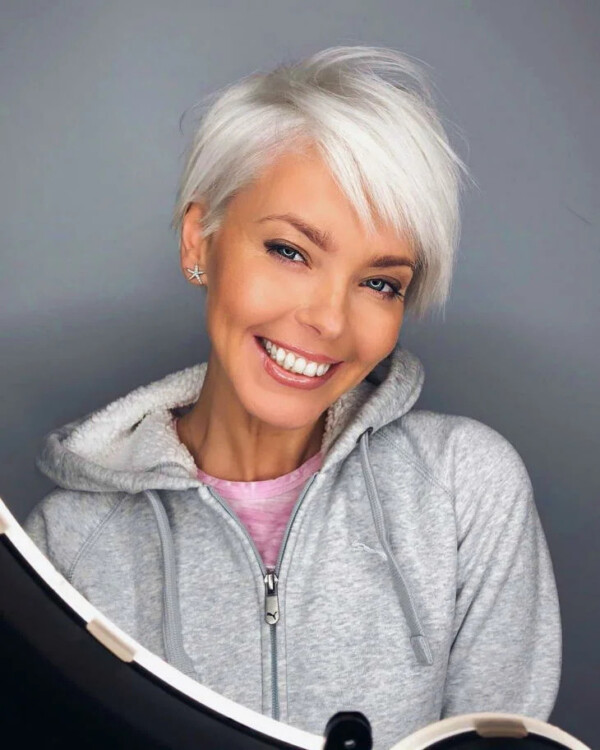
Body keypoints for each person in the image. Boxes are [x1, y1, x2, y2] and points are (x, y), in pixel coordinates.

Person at [24, 46, 562, 749]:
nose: (330, 320)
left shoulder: (466, 491)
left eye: (380, 283)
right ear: (199, 242)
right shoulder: (66, 550)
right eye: (290, 251)